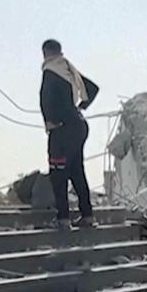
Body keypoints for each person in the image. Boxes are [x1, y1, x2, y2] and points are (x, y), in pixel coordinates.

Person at [39, 39, 99, 229]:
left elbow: (45, 99)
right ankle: (87, 216)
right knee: (76, 171)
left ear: (45, 53)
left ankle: (63, 218)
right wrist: (80, 107)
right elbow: (93, 88)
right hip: (79, 126)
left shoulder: (50, 71)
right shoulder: (67, 69)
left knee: (58, 173)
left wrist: (50, 120)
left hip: (62, 129)